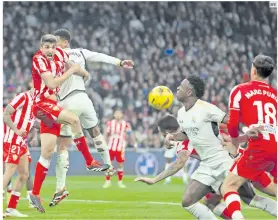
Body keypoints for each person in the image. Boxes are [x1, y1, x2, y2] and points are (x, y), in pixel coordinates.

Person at [48, 29, 134, 206]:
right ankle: (108, 165)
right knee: (95, 131)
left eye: (57, 41)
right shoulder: (81, 52)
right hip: (83, 98)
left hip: (65, 102)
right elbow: (100, 56)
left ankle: (60, 188)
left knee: (62, 145)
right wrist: (119, 62)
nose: (54, 44)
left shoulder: (54, 55)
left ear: (65, 42)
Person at [135, 114, 277, 219]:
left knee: (248, 197)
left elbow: (179, 163)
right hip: (241, 158)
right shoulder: (192, 123)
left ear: (166, 132)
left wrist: (154, 180)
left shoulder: (184, 141)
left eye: (161, 132)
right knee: (213, 201)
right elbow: (223, 125)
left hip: (228, 165)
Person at [29, 34, 109, 213]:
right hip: (42, 104)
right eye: (46, 47)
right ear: (41, 48)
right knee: (73, 119)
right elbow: (50, 83)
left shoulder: (60, 54)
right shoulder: (38, 59)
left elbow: (75, 66)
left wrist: (84, 73)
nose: (50, 50)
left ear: (57, 46)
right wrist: (71, 72)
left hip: (52, 106)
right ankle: (89, 161)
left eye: (52, 47)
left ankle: (34, 193)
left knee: (48, 153)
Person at [221, 55, 277, 219]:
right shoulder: (275, 95)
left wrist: (235, 141)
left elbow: (232, 124)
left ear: (253, 70)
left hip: (258, 146)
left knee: (229, 186)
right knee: (267, 185)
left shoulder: (239, 90)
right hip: (276, 145)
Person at [3, 80, 35, 217]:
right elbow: (6, 115)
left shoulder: (38, 102)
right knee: (9, 172)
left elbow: (32, 122)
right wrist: (16, 130)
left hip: (22, 142)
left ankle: (11, 208)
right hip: (12, 140)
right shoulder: (23, 97)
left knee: (24, 174)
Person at [103, 109, 137, 188]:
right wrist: (104, 144)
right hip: (110, 146)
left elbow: (130, 134)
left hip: (120, 147)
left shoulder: (126, 124)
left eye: (119, 113)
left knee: (120, 164)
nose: (118, 115)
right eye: (116, 113)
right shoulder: (110, 123)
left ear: (122, 115)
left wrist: (134, 144)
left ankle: (120, 181)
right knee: (108, 164)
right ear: (114, 115)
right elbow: (106, 134)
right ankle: (107, 181)